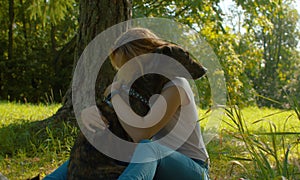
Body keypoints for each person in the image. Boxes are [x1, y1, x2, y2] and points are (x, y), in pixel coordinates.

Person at [44, 27, 209, 180]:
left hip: (192, 168)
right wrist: (90, 113)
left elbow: (141, 134)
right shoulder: (137, 90)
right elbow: (117, 121)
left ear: (140, 59)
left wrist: (115, 94)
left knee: (147, 147)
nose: (122, 72)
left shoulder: (176, 85)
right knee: (82, 159)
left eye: (124, 65)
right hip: (147, 162)